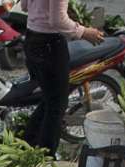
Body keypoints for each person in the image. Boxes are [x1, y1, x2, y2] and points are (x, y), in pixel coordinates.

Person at [24, 0, 104, 153]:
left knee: (49, 100)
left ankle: (26, 145)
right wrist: (85, 32)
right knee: (56, 105)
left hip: (32, 39)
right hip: (49, 45)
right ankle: (45, 157)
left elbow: (25, 6)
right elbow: (57, 20)